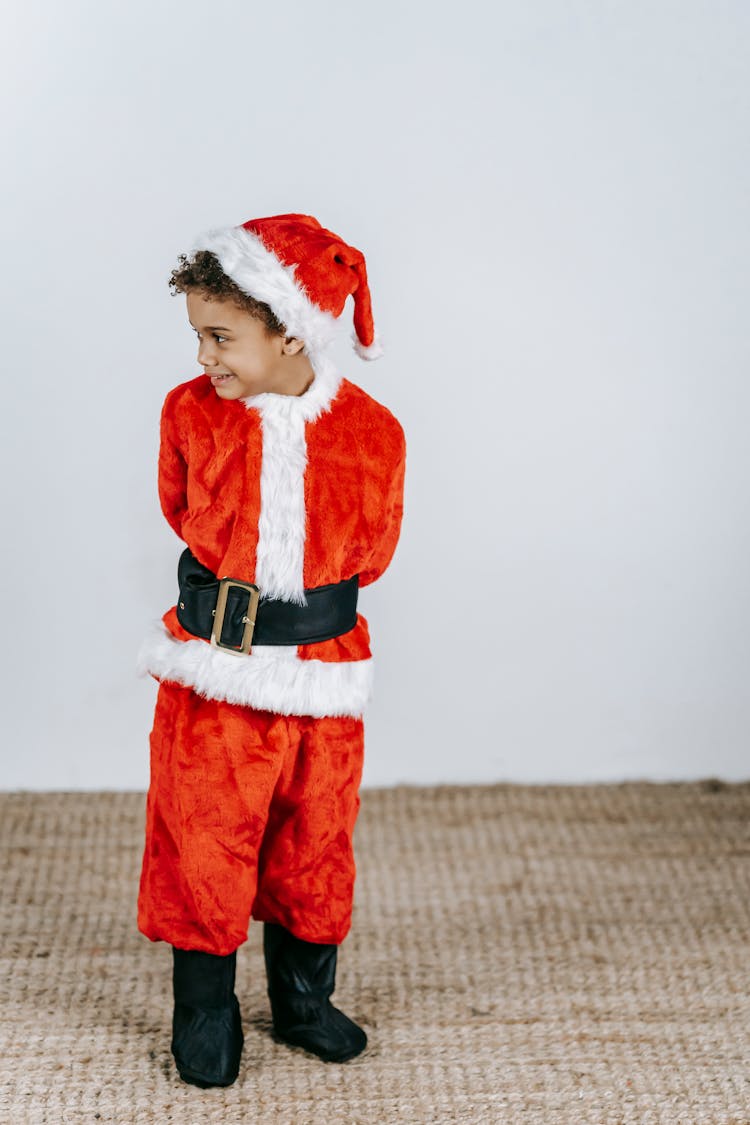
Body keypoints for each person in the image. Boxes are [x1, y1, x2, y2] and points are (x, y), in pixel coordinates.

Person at [135, 212, 407, 1088]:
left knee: (316, 839)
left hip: (324, 677)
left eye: (222, 336)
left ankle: (301, 1000)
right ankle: (206, 1009)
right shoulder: (190, 413)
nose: (205, 356)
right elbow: (183, 510)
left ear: (290, 328)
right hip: (215, 671)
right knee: (204, 837)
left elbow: (375, 548)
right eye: (198, 335)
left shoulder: (374, 432)